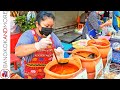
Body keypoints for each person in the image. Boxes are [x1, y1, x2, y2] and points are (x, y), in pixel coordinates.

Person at [15, 11, 64, 79]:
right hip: (30, 75)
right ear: (37, 24)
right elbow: (18, 52)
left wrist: (59, 51)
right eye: (46, 26)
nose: (49, 29)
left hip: (47, 74)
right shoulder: (29, 35)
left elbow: (60, 47)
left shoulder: (52, 36)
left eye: (51, 26)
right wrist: (37, 46)